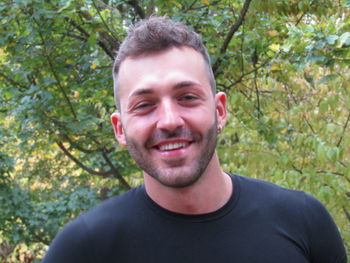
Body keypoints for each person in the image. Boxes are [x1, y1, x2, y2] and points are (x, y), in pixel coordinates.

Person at [43, 16, 347, 263]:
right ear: (120, 129)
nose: (170, 121)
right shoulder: (83, 249)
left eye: (187, 97)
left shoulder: (303, 221)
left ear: (219, 110)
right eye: (144, 105)